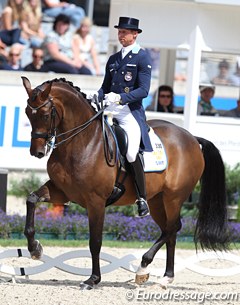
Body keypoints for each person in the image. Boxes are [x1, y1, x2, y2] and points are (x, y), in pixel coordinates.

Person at [97, 17, 152, 217]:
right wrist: (99, 96)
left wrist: (120, 98)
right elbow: (105, 86)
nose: (121, 36)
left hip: (129, 111)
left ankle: (142, 197)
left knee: (130, 153)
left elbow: (144, 90)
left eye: (124, 32)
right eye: (119, 32)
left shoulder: (142, 57)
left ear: (134, 34)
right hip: (109, 108)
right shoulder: (113, 59)